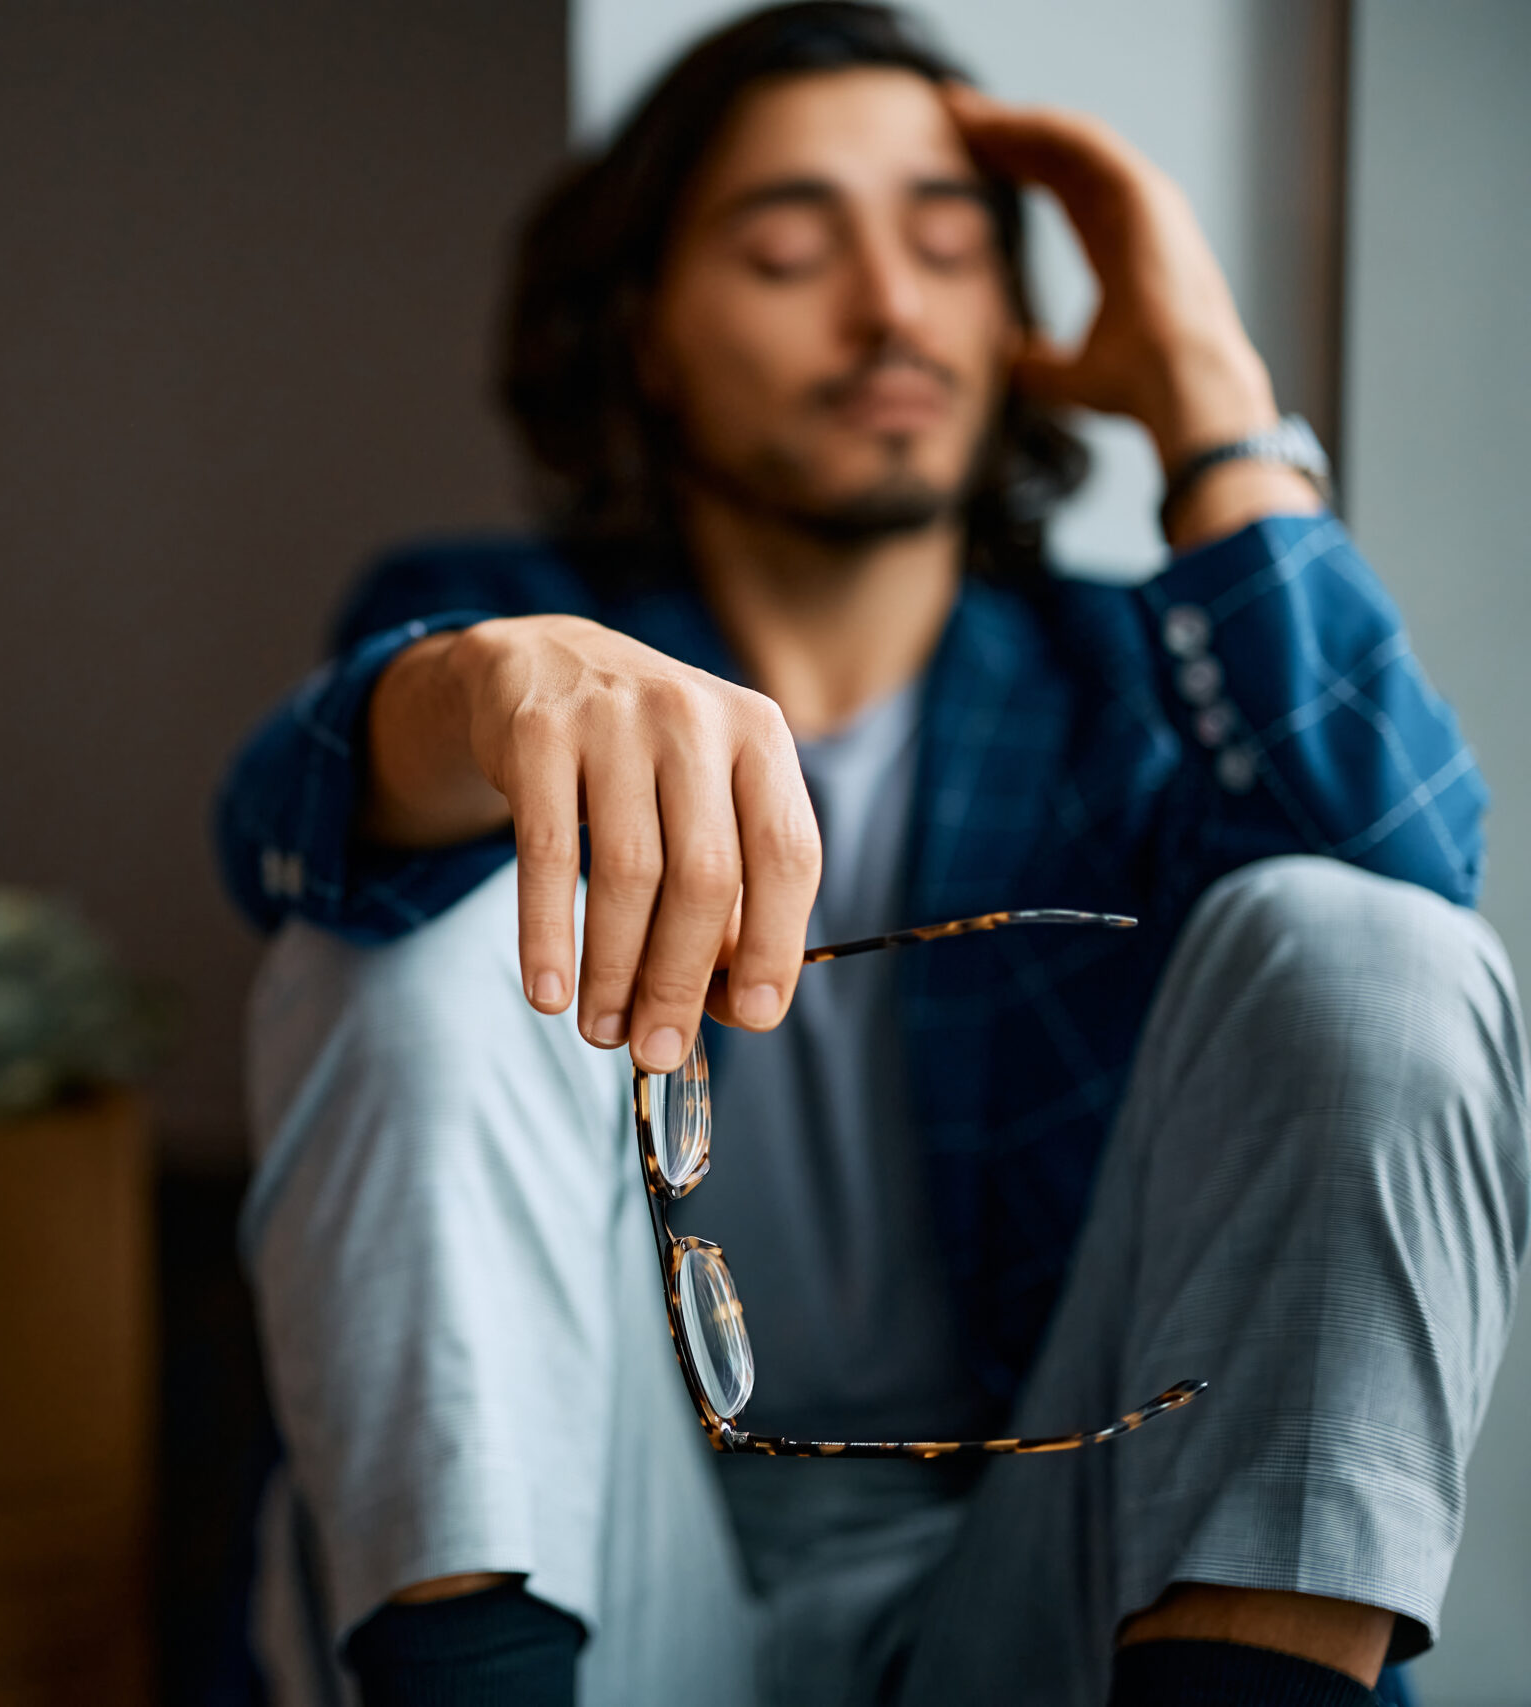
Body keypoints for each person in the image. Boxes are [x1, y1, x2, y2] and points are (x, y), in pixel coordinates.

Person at [211, 5, 1529, 1705]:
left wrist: (1212, 405)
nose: (892, 307)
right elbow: (282, 835)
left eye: (951, 244)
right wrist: (477, 680)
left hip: (1042, 1565)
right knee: (404, 912)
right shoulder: (497, 624)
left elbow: (1415, 900)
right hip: (606, 1550)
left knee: (1364, 938)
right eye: (786, 248)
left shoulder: (1138, 688)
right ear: (649, 335)